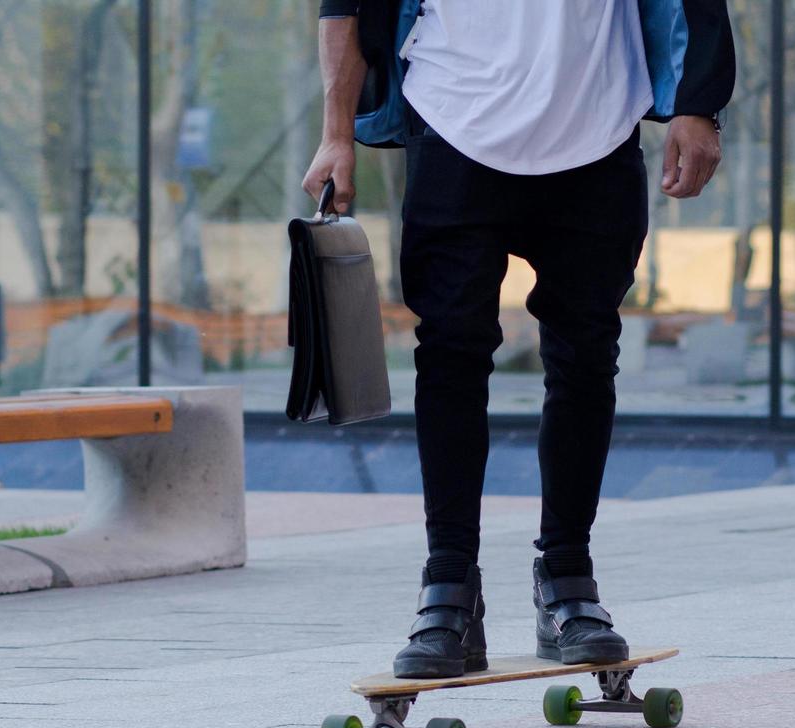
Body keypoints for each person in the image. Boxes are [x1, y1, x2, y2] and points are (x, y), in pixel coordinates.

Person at [304, 1, 735, 679]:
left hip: (597, 125)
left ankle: (567, 579)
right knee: (448, 353)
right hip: (451, 118)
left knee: (587, 355)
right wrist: (336, 133)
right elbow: (348, 5)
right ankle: (448, 587)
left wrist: (699, 104)